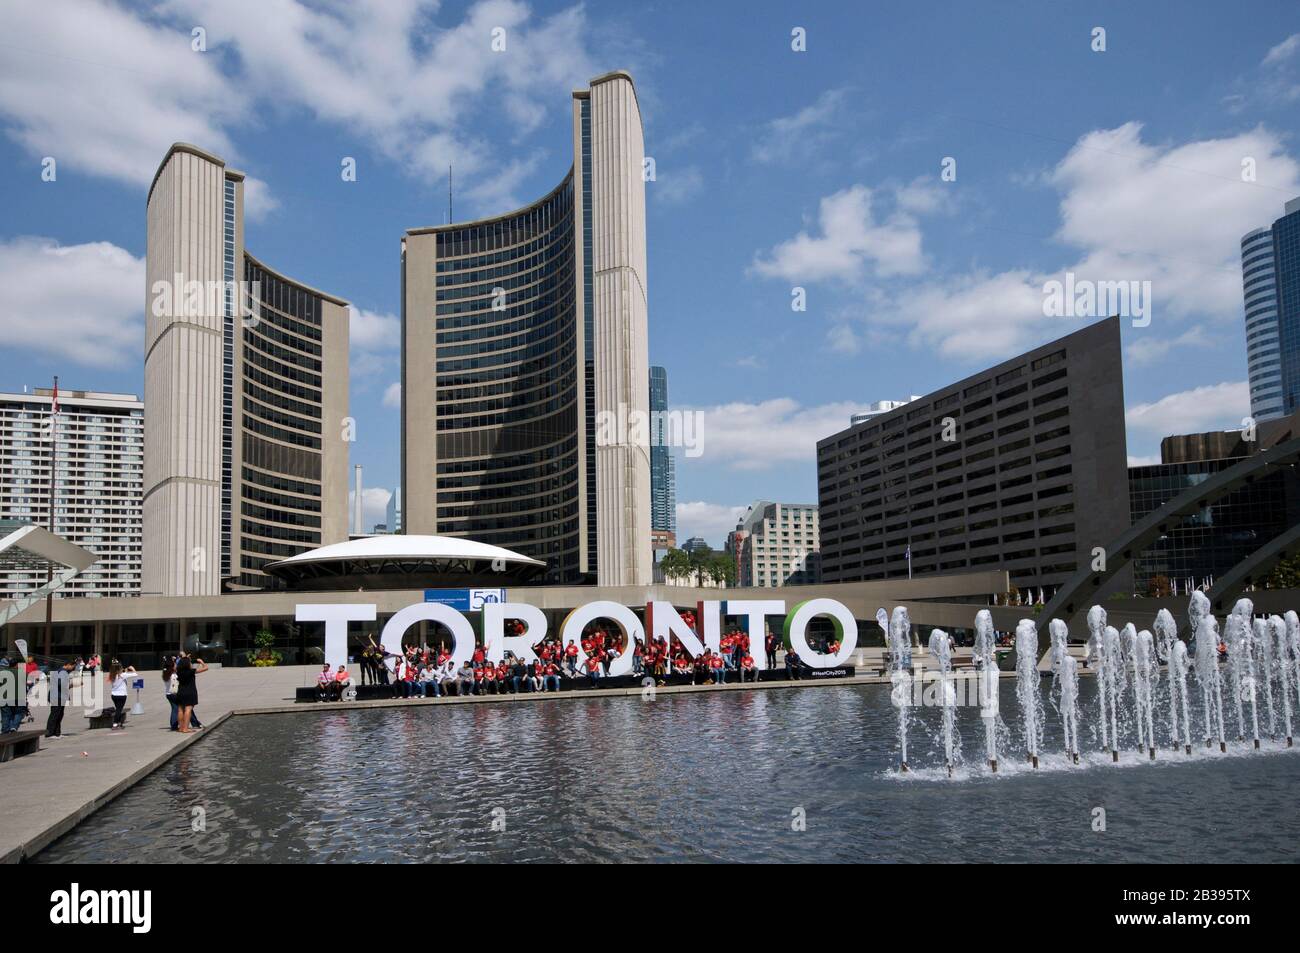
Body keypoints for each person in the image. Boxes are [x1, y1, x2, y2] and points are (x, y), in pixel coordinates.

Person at [174, 654, 207, 733]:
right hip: (190, 692)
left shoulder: (178, 671)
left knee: (180, 710)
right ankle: (186, 728)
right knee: (188, 709)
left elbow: (176, 666)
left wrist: (184, 659)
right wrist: (201, 662)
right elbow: (206, 668)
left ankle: (181, 728)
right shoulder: (191, 671)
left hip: (180, 692)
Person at [45, 659, 74, 738]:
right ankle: (50, 733)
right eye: (72, 666)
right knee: (55, 714)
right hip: (57, 696)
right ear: (68, 664)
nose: (72, 668)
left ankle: (57, 733)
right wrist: (72, 685)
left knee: (59, 714)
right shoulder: (62, 671)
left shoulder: (62, 671)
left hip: (59, 696)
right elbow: (61, 684)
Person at [107, 661, 137, 730]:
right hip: (122, 695)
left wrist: (125, 671)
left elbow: (122, 674)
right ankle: (115, 724)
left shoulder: (112, 675)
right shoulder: (123, 675)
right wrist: (132, 668)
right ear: (119, 669)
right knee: (119, 710)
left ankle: (119, 723)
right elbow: (135, 674)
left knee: (118, 709)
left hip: (114, 695)